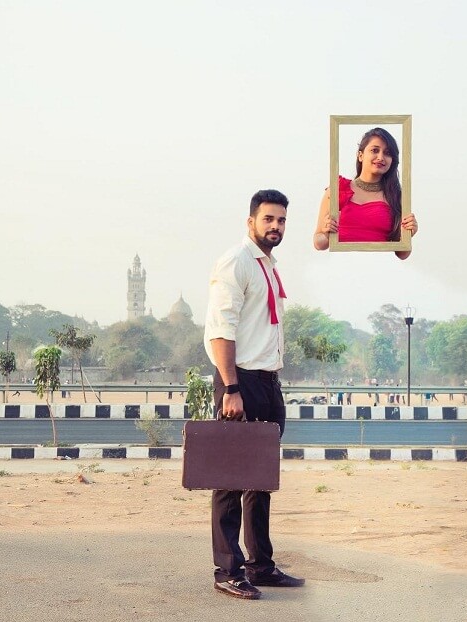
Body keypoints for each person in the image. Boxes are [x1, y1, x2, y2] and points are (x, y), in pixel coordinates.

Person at [203, 189, 304, 601]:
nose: (276, 226)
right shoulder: (237, 263)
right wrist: (231, 388)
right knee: (230, 478)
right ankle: (227, 569)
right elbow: (221, 329)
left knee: (260, 478)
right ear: (251, 222)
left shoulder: (268, 266)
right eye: (268, 219)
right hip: (239, 381)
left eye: (281, 220)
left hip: (266, 382)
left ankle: (260, 564)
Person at [313, 127, 418, 259]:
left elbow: (402, 255)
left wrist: (408, 234)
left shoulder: (396, 196)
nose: (381, 157)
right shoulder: (337, 188)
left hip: (379, 270)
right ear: (360, 155)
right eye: (375, 150)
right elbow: (318, 243)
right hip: (341, 270)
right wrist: (326, 232)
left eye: (387, 153)